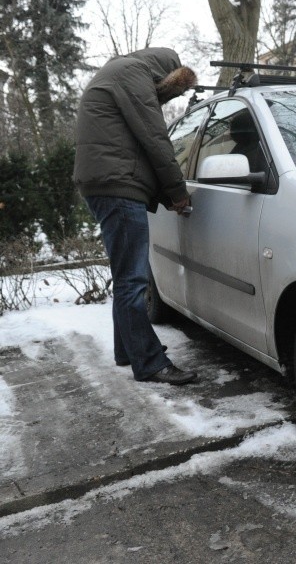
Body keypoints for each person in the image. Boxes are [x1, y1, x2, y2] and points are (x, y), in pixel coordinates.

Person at [73, 47, 198, 385]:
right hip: (118, 188)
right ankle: (150, 363)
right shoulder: (133, 75)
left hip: (105, 184)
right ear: (166, 73)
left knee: (125, 276)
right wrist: (177, 191)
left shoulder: (118, 72)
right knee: (133, 280)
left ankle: (126, 350)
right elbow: (155, 139)